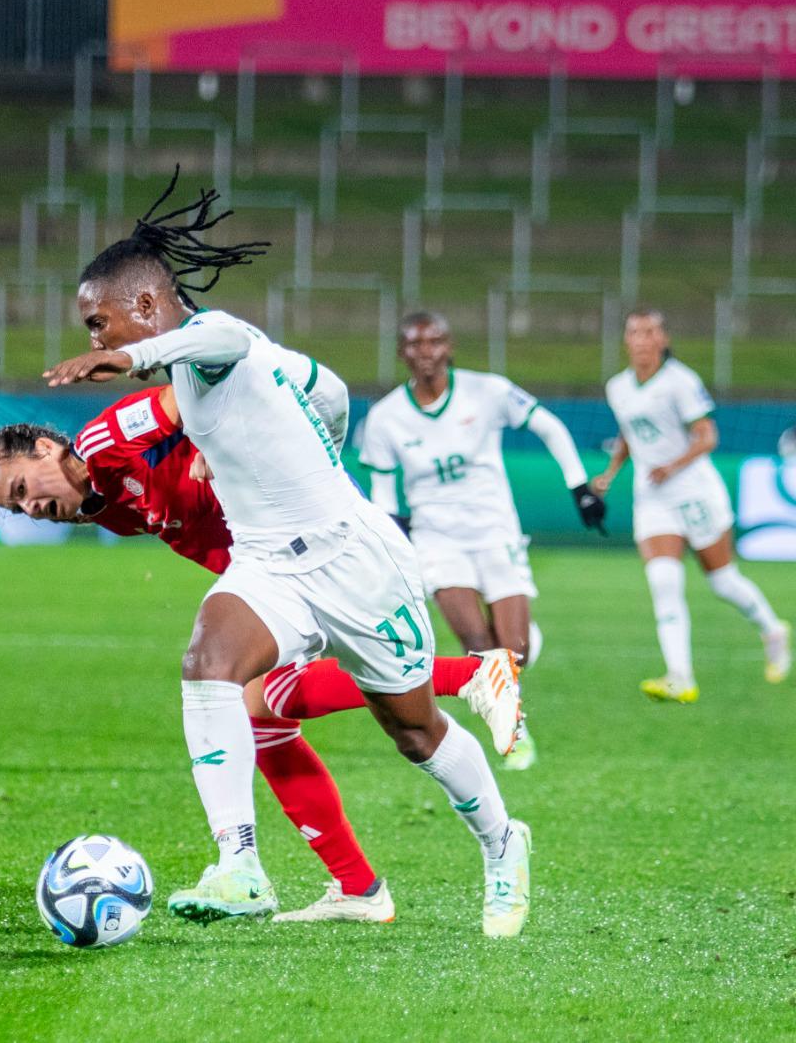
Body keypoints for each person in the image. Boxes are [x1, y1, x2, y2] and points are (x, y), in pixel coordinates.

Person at [41, 173, 531, 937]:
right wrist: (296, 450)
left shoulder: (214, 344)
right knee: (209, 665)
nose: (96, 341)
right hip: (270, 565)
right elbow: (330, 391)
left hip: (356, 560)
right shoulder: (231, 366)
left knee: (414, 732)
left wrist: (138, 361)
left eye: (99, 324)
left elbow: (223, 336)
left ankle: (504, 843)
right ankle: (241, 866)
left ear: (145, 305)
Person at [0, 382, 522, 923]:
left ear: (47, 449)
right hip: (270, 578)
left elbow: (198, 387)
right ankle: (321, 880)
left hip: (328, 551)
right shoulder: (103, 508)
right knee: (252, 706)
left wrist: (215, 444)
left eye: (24, 487)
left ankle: (474, 701)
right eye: (18, 507)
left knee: (413, 730)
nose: (34, 509)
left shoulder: (107, 439)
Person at [359, 311, 608, 770]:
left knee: (514, 653)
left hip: (496, 531)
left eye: (434, 341)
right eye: (414, 344)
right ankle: (517, 733)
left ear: (449, 347)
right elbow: (381, 491)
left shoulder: (487, 391)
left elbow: (549, 426)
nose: (425, 352)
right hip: (437, 539)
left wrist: (579, 487)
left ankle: (524, 645)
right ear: (401, 353)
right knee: (477, 644)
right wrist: (391, 536)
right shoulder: (385, 418)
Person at [591, 309, 789, 701]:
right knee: (664, 582)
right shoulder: (619, 387)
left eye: (650, 332)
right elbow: (630, 434)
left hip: (694, 491)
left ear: (663, 340)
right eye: (635, 332)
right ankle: (680, 676)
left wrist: (672, 465)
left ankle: (773, 630)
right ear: (626, 340)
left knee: (723, 582)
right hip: (652, 498)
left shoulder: (680, 382)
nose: (642, 339)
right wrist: (612, 472)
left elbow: (707, 435)